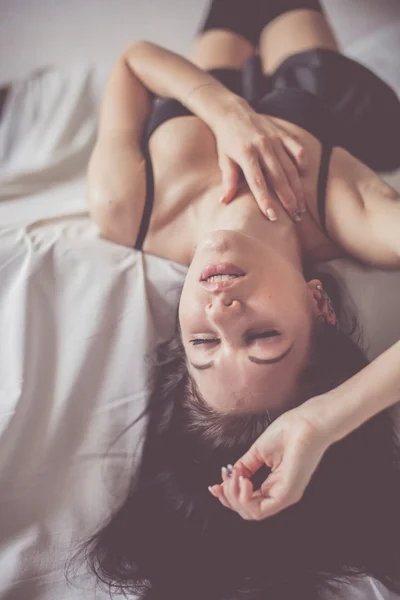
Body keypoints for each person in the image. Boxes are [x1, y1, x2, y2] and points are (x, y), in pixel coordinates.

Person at [81, 0, 400, 598]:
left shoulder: (129, 207)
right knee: (295, 31)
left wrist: (223, 108)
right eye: (262, 338)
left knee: (225, 26)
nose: (222, 311)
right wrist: (323, 420)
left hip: (209, 92)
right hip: (329, 100)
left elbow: (135, 62)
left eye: (202, 342)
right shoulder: (351, 214)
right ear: (319, 305)